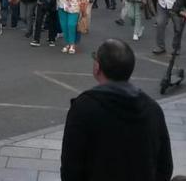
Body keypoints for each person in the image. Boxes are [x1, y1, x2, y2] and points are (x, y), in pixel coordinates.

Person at [60, 39, 173, 181]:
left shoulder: (84, 108)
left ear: (97, 67)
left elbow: (71, 166)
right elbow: (165, 166)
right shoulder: (153, 110)